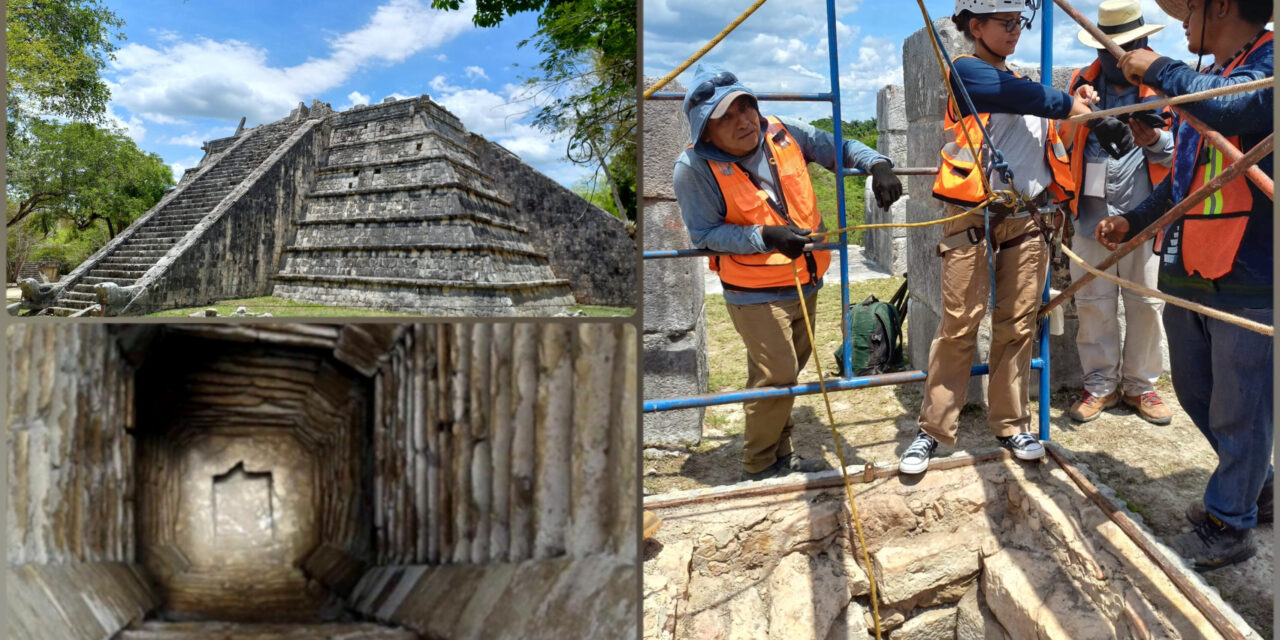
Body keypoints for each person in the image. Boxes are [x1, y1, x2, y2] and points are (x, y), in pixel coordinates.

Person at [1097, 0, 1272, 569]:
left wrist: (1157, 67)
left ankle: (1229, 522)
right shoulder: (1209, 81)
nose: (1181, 23)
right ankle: (1255, 485)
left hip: (1250, 271)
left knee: (1239, 406)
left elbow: (1235, 105)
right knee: (1198, 393)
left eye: (1188, 9)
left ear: (1219, 6)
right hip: (1190, 264)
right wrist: (1134, 220)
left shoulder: (1265, 68)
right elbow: (1183, 183)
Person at [899, 0, 1104, 475]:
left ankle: (1011, 423)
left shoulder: (1022, 86)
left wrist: (1083, 112)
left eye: (1018, 23)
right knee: (959, 323)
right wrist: (1066, 101)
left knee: (1017, 324)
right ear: (976, 26)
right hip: (972, 214)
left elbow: (1051, 132)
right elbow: (1023, 99)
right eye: (1005, 23)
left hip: (1025, 217)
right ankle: (932, 430)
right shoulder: (968, 74)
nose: (1015, 32)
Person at [673, 64, 903, 482]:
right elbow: (705, 233)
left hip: (806, 279)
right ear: (706, 130)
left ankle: (781, 454)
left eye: (745, 106)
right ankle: (759, 466)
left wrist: (877, 164)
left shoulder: (782, 131)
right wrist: (766, 236)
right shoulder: (693, 169)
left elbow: (839, 146)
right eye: (726, 116)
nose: (743, 120)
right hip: (754, 289)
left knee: (788, 371)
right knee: (775, 375)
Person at [1063, 0, 1176, 426]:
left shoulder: (1164, 87)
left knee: (1147, 302)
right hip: (1089, 213)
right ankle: (1100, 385)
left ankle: (1141, 386)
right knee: (1092, 302)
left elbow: (1181, 152)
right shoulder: (1081, 84)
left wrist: (1152, 140)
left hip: (1147, 216)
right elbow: (1058, 142)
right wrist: (1078, 111)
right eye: (1108, 49)